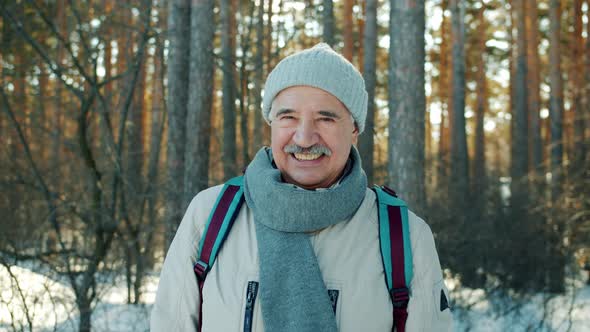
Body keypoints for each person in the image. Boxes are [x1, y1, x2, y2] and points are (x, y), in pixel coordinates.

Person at [151, 43, 453, 331]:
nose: (305, 138)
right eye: (288, 117)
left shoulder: (405, 236)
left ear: (355, 129)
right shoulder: (210, 216)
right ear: (271, 122)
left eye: (326, 118)